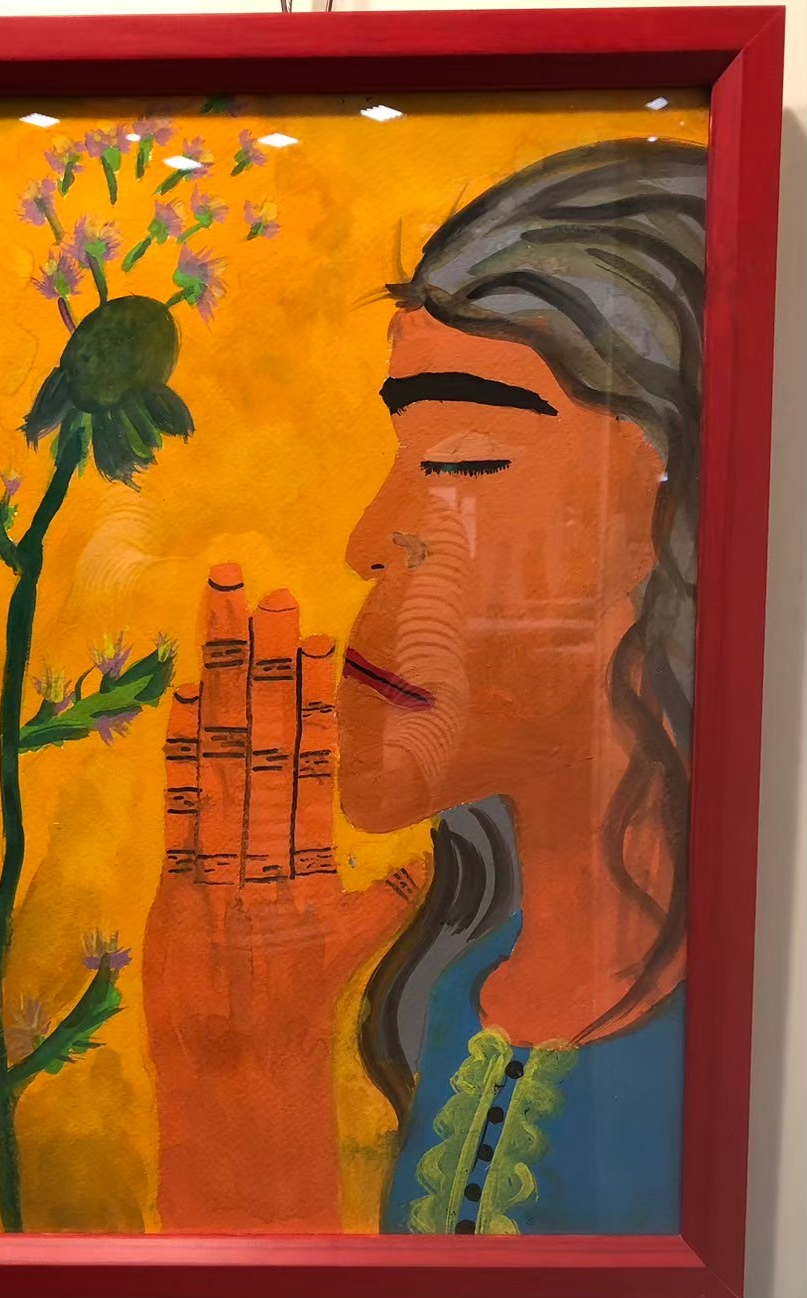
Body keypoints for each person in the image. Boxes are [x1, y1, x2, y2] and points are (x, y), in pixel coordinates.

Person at [143, 137, 706, 1235]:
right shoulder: (457, 992)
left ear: (680, 522)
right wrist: (243, 1066)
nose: (369, 540)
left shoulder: (741, 1027)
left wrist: (246, 1099)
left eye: (463, 461)